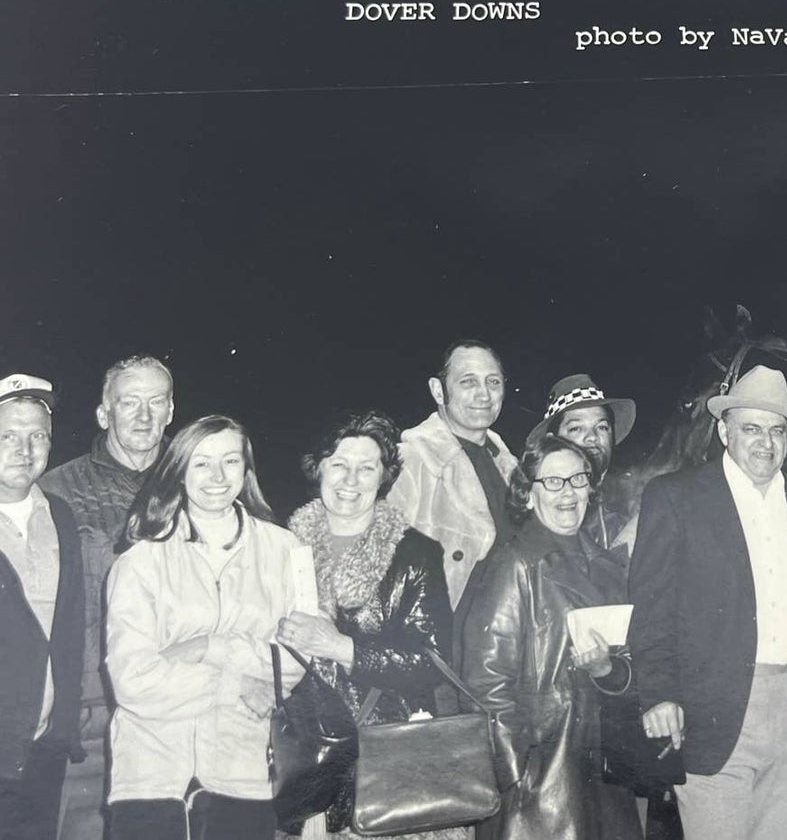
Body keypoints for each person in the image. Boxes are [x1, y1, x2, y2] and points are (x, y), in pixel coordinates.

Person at [628, 365, 787, 840]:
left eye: (777, 431)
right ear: (723, 430)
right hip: (712, 708)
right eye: (751, 429)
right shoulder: (676, 497)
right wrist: (660, 694)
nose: (765, 443)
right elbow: (651, 607)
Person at [105, 415, 306, 840]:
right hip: (148, 776)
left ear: (247, 471)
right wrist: (240, 683)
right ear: (178, 471)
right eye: (201, 463)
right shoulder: (139, 561)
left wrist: (208, 646)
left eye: (230, 461)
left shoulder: (289, 552)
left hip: (247, 772)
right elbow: (132, 681)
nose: (217, 476)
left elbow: (298, 662)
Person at [279, 411, 466, 840]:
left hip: (389, 763)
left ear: (384, 477)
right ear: (319, 468)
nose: (351, 480)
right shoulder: (283, 550)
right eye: (340, 464)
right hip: (310, 763)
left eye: (367, 468)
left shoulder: (415, 553)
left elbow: (433, 661)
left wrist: (343, 648)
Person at [457, 434, 641, 840]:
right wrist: (517, 779)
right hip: (542, 783)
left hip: (601, 774)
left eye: (578, 480)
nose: (568, 492)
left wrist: (606, 669)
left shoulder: (608, 566)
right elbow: (484, 685)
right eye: (553, 482)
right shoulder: (515, 564)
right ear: (528, 495)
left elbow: (629, 669)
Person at [40, 355, 174, 840]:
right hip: (92, 720)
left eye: (155, 402)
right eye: (129, 402)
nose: (143, 416)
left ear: (171, 410)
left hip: (180, 717)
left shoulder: (201, 483)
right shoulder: (56, 491)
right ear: (104, 413)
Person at [0, 374, 84, 840]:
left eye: (37, 436)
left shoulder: (61, 516)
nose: (23, 448)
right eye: (8, 435)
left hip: (42, 752)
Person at [392, 340, 519, 607]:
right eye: (468, 382)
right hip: (444, 635)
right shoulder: (410, 462)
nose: (484, 395)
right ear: (438, 391)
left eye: (493, 382)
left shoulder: (510, 466)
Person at [529, 374, 637, 554]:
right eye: (576, 428)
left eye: (602, 427)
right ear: (552, 441)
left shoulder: (633, 498)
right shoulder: (538, 504)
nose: (592, 437)